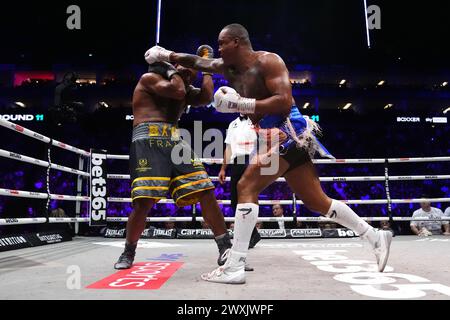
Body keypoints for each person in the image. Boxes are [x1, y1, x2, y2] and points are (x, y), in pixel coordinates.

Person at [145, 23, 393, 283]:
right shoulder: (228, 68)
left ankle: (234, 266)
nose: (218, 49)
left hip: (288, 130)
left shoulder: (269, 61)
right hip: (270, 135)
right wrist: (165, 55)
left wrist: (241, 104)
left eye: (222, 43)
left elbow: (284, 100)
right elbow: (198, 62)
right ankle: (374, 236)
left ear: (236, 42)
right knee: (317, 201)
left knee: (247, 185)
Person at [114, 48, 233, 269]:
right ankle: (128, 252)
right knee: (143, 202)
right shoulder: (150, 79)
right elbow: (177, 91)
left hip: (174, 139)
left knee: (205, 191)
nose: (190, 73)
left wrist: (205, 65)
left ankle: (226, 248)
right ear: (172, 68)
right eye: (186, 68)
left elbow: (207, 97)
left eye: (193, 70)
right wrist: (169, 67)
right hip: (147, 138)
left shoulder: (184, 87)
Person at [219, 113, 261, 248]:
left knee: (249, 198)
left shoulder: (256, 119)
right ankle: (253, 234)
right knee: (235, 201)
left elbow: (264, 141)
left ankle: (250, 236)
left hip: (252, 160)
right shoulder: (233, 124)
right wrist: (223, 169)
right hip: (237, 162)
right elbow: (229, 148)